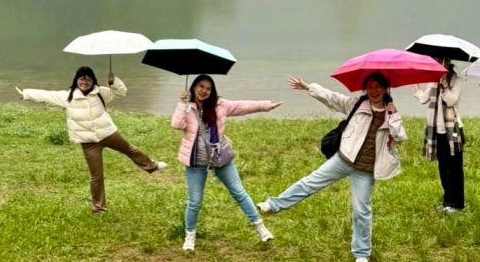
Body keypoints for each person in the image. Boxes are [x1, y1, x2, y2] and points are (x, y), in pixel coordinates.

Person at [258, 73, 407, 262]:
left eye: (378, 86)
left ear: (386, 88)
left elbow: (400, 137)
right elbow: (332, 97)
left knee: (361, 211)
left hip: (365, 170)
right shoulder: (357, 104)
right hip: (343, 159)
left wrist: (393, 114)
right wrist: (308, 87)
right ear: (364, 89)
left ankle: (362, 252)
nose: (374, 90)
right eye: (369, 86)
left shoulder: (390, 113)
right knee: (310, 182)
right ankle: (273, 205)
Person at [17, 67, 165, 213]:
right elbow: (46, 96)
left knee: (130, 149)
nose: (85, 82)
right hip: (88, 141)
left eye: (88, 79)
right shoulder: (67, 97)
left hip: (108, 133)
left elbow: (120, 93)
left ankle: (152, 166)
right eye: (82, 79)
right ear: (76, 80)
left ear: (93, 80)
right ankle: (98, 208)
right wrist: (26, 93)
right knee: (96, 176)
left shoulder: (100, 92)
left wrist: (113, 83)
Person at [171, 74, 282, 251]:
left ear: (212, 91)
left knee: (239, 192)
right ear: (193, 87)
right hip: (195, 163)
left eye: (208, 88)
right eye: (200, 86)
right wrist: (182, 103)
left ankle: (260, 228)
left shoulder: (220, 105)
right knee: (195, 201)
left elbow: (243, 106)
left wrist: (266, 105)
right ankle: (189, 236)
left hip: (219, 159)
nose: (203, 91)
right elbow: (176, 125)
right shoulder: (187, 107)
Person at [414, 58, 465, 213]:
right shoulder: (432, 80)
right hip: (437, 130)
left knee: (455, 167)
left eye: (439, 59)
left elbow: (450, 101)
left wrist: (443, 85)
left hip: (453, 129)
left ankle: (457, 203)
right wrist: (415, 82)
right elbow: (424, 99)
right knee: (443, 167)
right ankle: (447, 201)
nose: (437, 62)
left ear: (447, 60)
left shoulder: (457, 79)